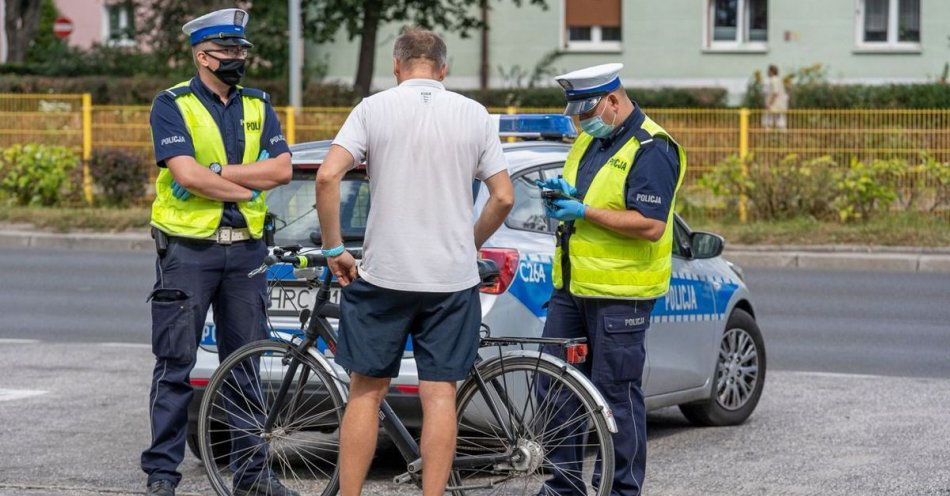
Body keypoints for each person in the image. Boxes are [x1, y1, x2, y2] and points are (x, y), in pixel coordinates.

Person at [315, 27, 514, 496]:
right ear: (443, 69)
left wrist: (333, 248)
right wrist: (468, 242)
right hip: (450, 279)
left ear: (396, 66)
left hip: (385, 275)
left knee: (367, 391)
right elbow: (503, 197)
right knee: (440, 394)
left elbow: (326, 176)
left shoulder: (373, 109)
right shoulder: (476, 115)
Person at [141, 8, 294, 496]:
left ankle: (253, 475)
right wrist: (248, 186)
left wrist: (220, 174)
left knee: (245, 364)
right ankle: (162, 475)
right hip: (189, 252)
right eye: (228, 51)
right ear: (203, 56)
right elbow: (185, 174)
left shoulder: (258, 104)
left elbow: (284, 171)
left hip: (245, 253)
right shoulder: (172, 104)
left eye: (241, 51)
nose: (238, 59)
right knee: (175, 365)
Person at [538, 63, 686, 496]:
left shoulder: (652, 148)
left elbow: (650, 224)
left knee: (615, 398)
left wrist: (584, 211)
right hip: (571, 289)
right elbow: (585, 193)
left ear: (614, 102)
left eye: (586, 112)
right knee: (555, 389)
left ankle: (622, 490)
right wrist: (564, 195)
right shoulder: (589, 141)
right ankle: (563, 487)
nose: (580, 122)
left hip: (622, 296)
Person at [763, 64, 789, 130]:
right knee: (779, 118)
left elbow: (775, 92)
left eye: (768, 71)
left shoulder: (773, 80)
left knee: (769, 119)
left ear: (771, 71)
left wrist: (769, 103)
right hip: (779, 103)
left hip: (776, 103)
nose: (767, 72)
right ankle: (780, 132)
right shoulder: (778, 80)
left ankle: (769, 131)